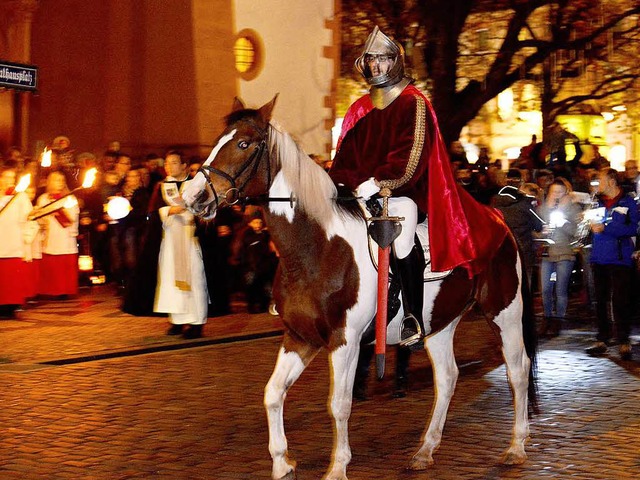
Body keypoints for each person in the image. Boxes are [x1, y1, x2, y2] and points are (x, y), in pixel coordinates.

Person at [329, 26, 507, 347]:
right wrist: (342, 185)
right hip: (359, 195)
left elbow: (411, 154)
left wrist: (380, 182)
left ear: (394, 62)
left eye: (383, 60)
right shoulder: (359, 108)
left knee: (403, 229)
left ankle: (411, 313)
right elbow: (345, 155)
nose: (376, 66)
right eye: (372, 60)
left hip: (402, 192)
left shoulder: (413, 103)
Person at [585, 168, 640, 360]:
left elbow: (634, 227)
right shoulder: (596, 202)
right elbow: (590, 224)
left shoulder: (628, 201)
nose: (597, 183)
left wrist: (607, 228)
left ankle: (624, 340)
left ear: (611, 181)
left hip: (619, 258)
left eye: (599, 179)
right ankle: (602, 338)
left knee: (621, 301)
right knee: (599, 300)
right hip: (599, 257)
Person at [153, 151, 209, 339]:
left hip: (190, 238)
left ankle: (196, 322)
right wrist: (169, 210)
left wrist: (189, 213)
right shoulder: (162, 187)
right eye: (167, 163)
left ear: (184, 165)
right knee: (171, 280)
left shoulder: (195, 186)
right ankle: (177, 320)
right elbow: (152, 212)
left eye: (174, 163)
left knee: (195, 279)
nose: (169, 167)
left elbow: (206, 208)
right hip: (170, 239)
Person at [536, 177, 581, 337]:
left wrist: (564, 223)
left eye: (561, 192)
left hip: (565, 252)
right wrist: (542, 233)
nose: (557, 195)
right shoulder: (543, 208)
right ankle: (547, 318)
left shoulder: (573, 208)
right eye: (554, 192)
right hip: (547, 253)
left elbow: (577, 233)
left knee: (560, 289)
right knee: (546, 289)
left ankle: (558, 320)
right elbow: (536, 229)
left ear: (566, 193)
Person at [490, 169, 544, 289]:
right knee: (524, 284)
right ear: (520, 182)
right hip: (524, 251)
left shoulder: (494, 202)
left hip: (503, 251)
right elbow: (539, 225)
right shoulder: (524, 203)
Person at [34, 170, 80, 298]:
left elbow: (72, 218)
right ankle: (49, 291)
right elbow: (39, 217)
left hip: (64, 236)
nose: (59, 183)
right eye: (55, 180)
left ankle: (65, 291)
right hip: (50, 236)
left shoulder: (69, 198)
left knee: (63, 264)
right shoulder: (43, 198)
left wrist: (58, 211)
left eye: (61, 180)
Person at [0, 161, 34, 317]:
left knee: (12, 277)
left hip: (14, 243)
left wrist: (26, 239)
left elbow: (29, 219)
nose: (9, 180)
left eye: (12, 177)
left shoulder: (20, 197)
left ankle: (12, 305)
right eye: (6, 177)